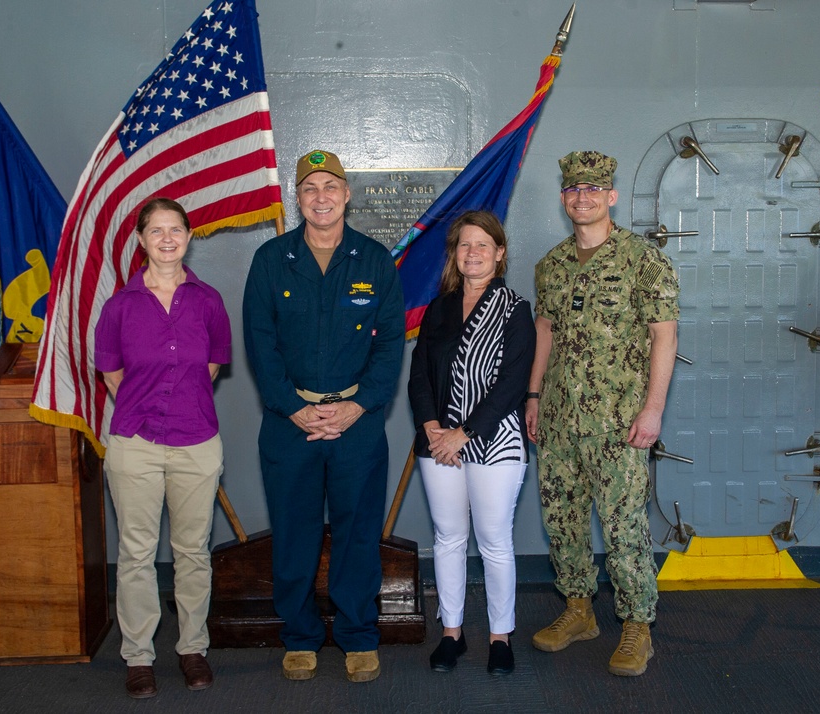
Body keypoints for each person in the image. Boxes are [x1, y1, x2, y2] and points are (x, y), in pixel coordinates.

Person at [243, 150, 404, 683]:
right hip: (290, 426)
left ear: (347, 193)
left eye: (330, 186)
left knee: (359, 533)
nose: (320, 197)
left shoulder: (375, 260)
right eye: (309, 187)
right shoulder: (270, 260)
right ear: (298, 197)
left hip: (356, 424)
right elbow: (260, 345)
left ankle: (359, 635)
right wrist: (295, 409)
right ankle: (300, 636)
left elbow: (389, 351)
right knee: (294, 532)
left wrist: (357, 407)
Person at [524, 151, 679, 677]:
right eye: (572, 190)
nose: (582, 197)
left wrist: (653, 410)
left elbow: (665, 336)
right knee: (562, 519)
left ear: (610, 196)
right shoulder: (552, 265)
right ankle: (578, 610)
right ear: (563, 198)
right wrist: (534, 397)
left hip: (620, 422)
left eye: (592, 189)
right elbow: (545, 332)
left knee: (623, 525)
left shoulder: (643, 259)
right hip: (561, 419)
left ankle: (637, 624)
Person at [95, 197, 231, 698]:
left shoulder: (209, 301)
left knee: (193, 551)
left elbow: (211, 365)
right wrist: (150, 409)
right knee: (135, 553)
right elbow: (112, 376)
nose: (167, 238)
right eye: (157, 231)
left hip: (197, 440)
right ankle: (138, 656)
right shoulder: (119, 306)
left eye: (176, 229)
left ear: (189, 237)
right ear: (141, 240)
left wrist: (178, 406)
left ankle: (192, 647)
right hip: (135, 443)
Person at [407, 211, 535, 676]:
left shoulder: (515, 308)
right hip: (438, 442)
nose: (473, 252)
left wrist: (465, 432)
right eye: (465, 245)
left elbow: (512, 383)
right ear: (454, 254)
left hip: (494, 443)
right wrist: (431, 426)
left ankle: (501, 636)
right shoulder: (438, 308)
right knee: (448, 538)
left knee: (495, 541)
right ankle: (452, 633)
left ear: (499, 253)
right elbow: (419, 372)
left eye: (483, 245)